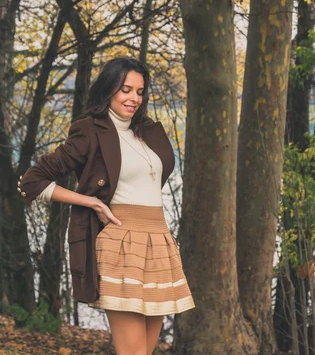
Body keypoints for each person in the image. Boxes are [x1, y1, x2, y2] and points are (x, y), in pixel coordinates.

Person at [17, 57, 195, 355]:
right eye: (126, 89)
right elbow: (31, 181)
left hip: (159, 241)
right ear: (108, 88)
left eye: (139, 91)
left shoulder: (148, 131)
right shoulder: (90, 130)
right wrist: (90, 201)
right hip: (121, 242)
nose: (134, 98)